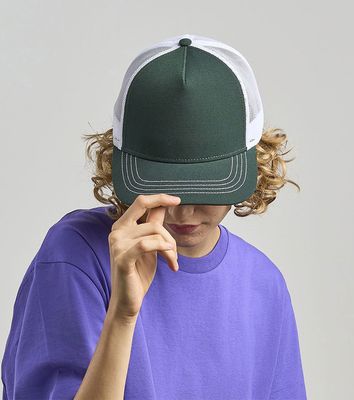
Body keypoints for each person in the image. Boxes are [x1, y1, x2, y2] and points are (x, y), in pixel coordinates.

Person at [1, 34, 307, 399]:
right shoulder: (78, 255)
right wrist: (123, 315)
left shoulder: (263, 283)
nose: (184, 211)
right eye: (164, 188)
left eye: (206, 189)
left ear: (252, 166)